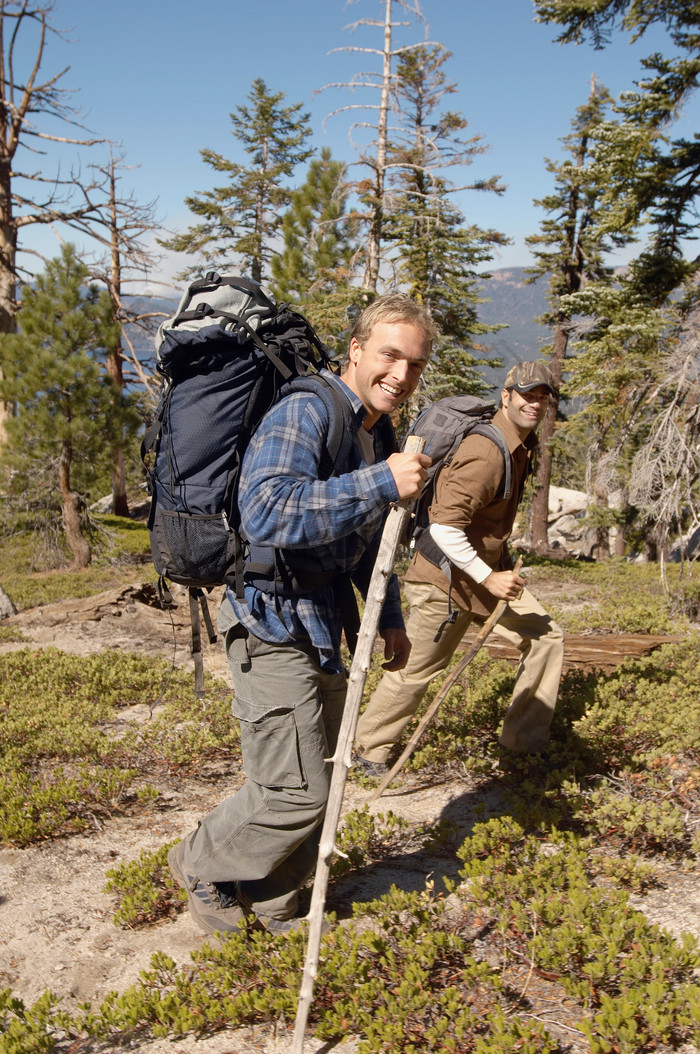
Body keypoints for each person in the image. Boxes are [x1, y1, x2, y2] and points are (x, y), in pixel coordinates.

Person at [168, 293, 434, 934]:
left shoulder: (376, 432)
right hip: (269, 621)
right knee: (294, 789)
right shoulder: (308, 410)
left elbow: (370, 538)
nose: (401, 373)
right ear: (357, 350)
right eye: (389, 355)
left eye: (415, 363)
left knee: (325, 781)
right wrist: (380, 483)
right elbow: (266, 509)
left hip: (320, 623)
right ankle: (201, 864)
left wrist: (388, 610)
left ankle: (274, 899)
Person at [354, 360, 564, 775]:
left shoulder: (520, 445)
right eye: (527, 394)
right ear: (506, 397)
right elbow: (445, 526)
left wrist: (491, 572)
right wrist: (490, 576)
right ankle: (367, 750)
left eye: (543, 397)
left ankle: (522, 745)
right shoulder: (487, 452)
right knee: (415, 669)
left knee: (545, 638)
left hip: (482, 575)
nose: (535, 404)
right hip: (445, 580)